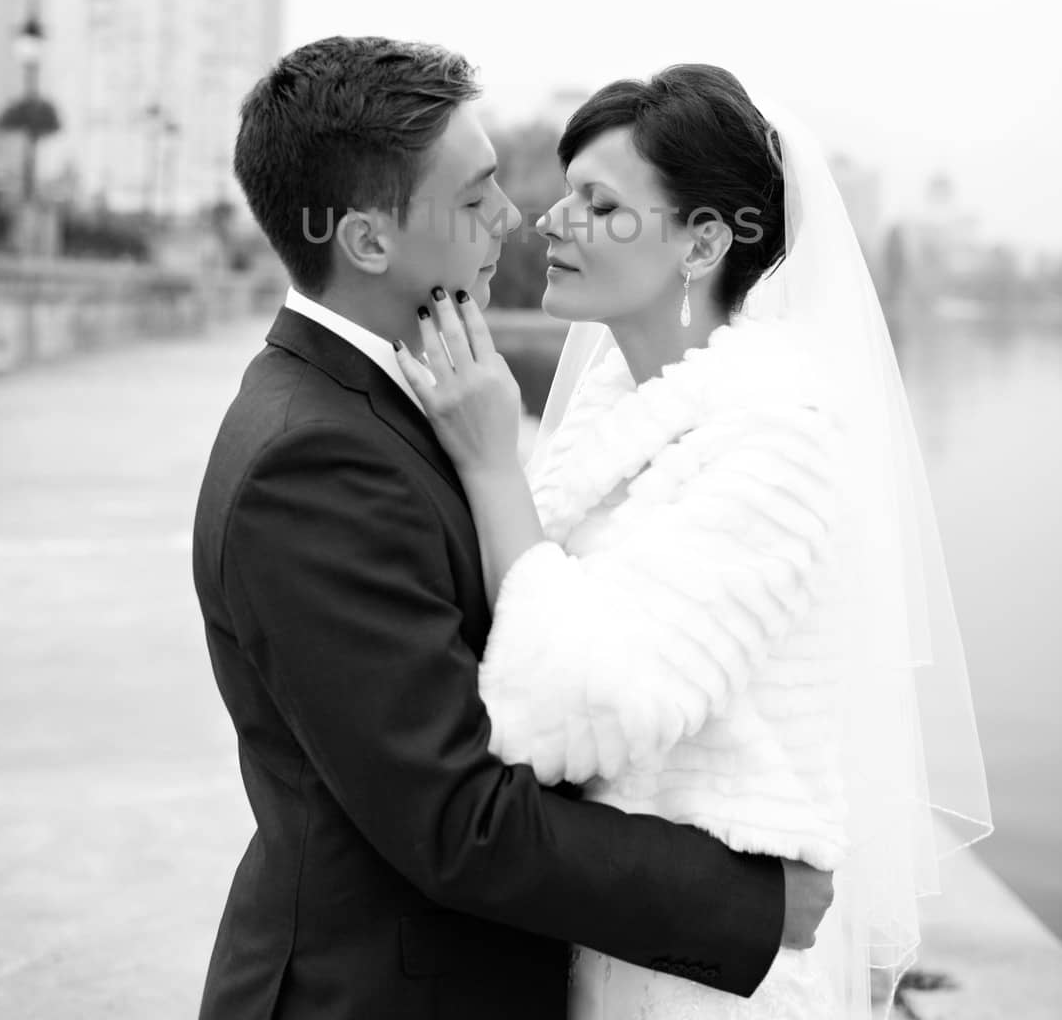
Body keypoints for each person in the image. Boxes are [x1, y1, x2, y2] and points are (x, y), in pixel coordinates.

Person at [191, 38, 833, 1020]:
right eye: (476, 194)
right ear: (367, 241)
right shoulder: (310, 459)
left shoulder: (400, 398)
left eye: (599, 202)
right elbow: (454, 816)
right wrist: (748, 903)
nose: (515, 216)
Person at [396, 62, 992, 1019]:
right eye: (563, 192)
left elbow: (586, 698)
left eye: (599, 203)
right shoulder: (610, 406)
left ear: (703, 239)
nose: (551, 220)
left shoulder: (777, 435)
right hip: (613, 924)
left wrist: (489, 464)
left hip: (705, 975)